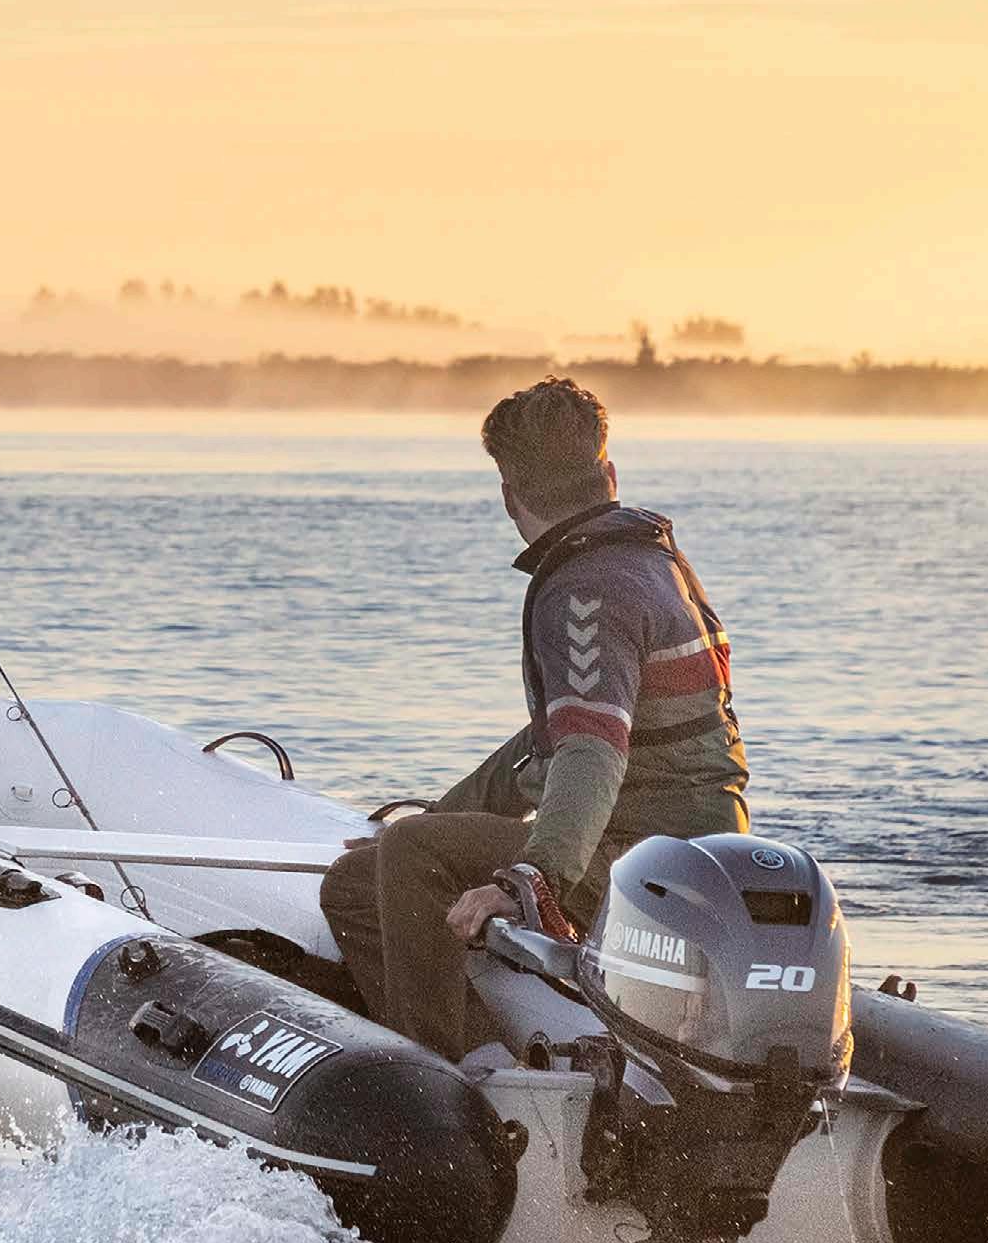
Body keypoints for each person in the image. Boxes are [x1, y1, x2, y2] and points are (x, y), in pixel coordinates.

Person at [319, 376, 749, 1061]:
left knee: (399, 861)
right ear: (608, 474)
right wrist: (443, 816)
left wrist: (532, 878)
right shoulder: (654, 561)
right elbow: (551, 742)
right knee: (380, 864)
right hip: (709, 853)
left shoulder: (582, 591)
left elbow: (589, 754)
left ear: (508, 495)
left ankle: (444, 1073)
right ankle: (485, 1048)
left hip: (641, 863)